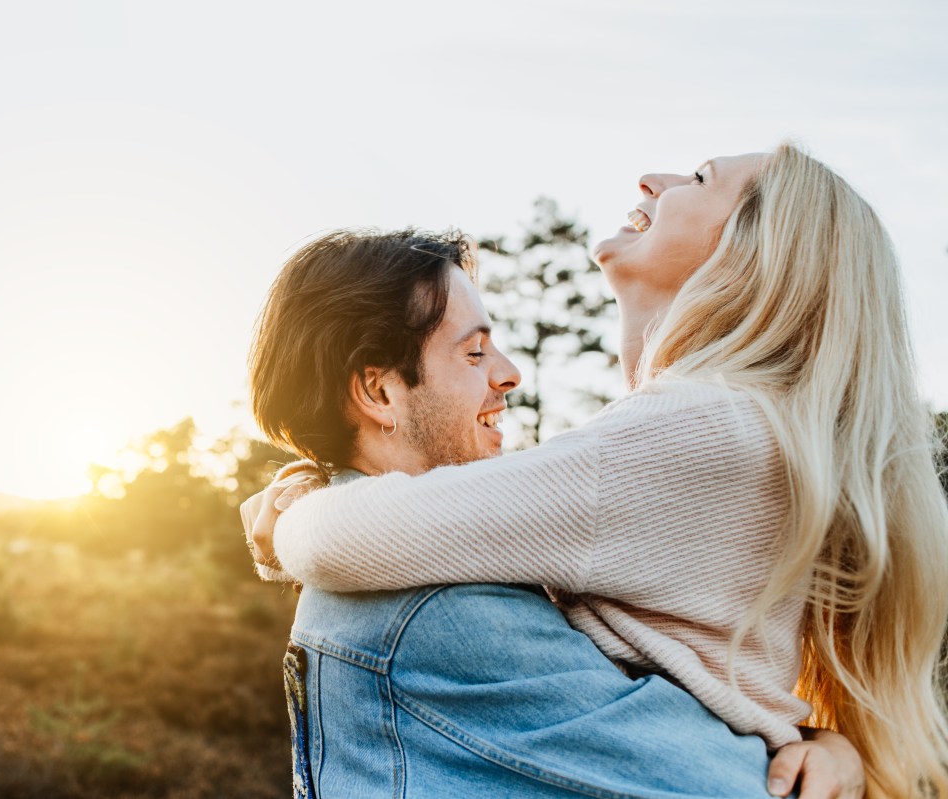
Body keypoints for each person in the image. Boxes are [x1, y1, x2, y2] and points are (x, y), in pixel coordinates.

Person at [248, 145, 948, 798]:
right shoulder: (735, 430)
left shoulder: (706, 424)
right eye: (473, 353)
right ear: (376, 390)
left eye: (700, 180)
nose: (654, 181)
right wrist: (818, 744)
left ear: (749, 257)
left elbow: (346, 539)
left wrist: (293, 511)